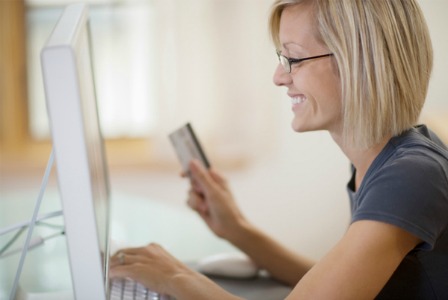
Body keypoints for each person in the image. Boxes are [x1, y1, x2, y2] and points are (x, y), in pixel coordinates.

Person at [110, 0, 448, 299]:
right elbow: (332, 285)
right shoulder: (378, 162)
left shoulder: (411, 176)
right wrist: (236, 229)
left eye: (294, 58)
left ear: (358, 63)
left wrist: (176, 277)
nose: (279, 77)